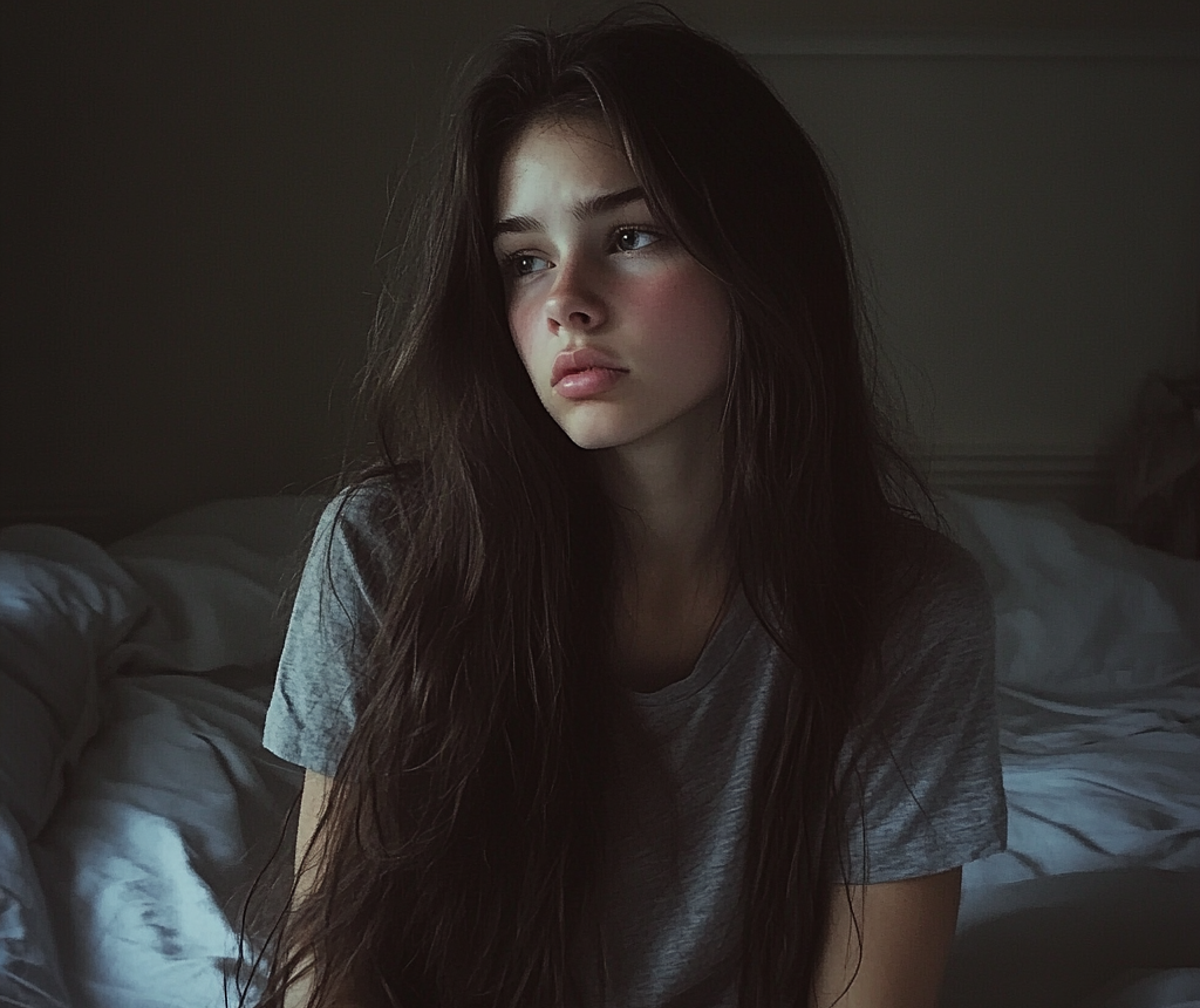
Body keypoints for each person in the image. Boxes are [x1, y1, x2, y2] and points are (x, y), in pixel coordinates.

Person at [254, 7, 1006, 1007]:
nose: (566, 298)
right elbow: (331, 982)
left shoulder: (908, 609)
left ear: (758, 261)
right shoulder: (385, 553)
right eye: (523, 258)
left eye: (631, 235)